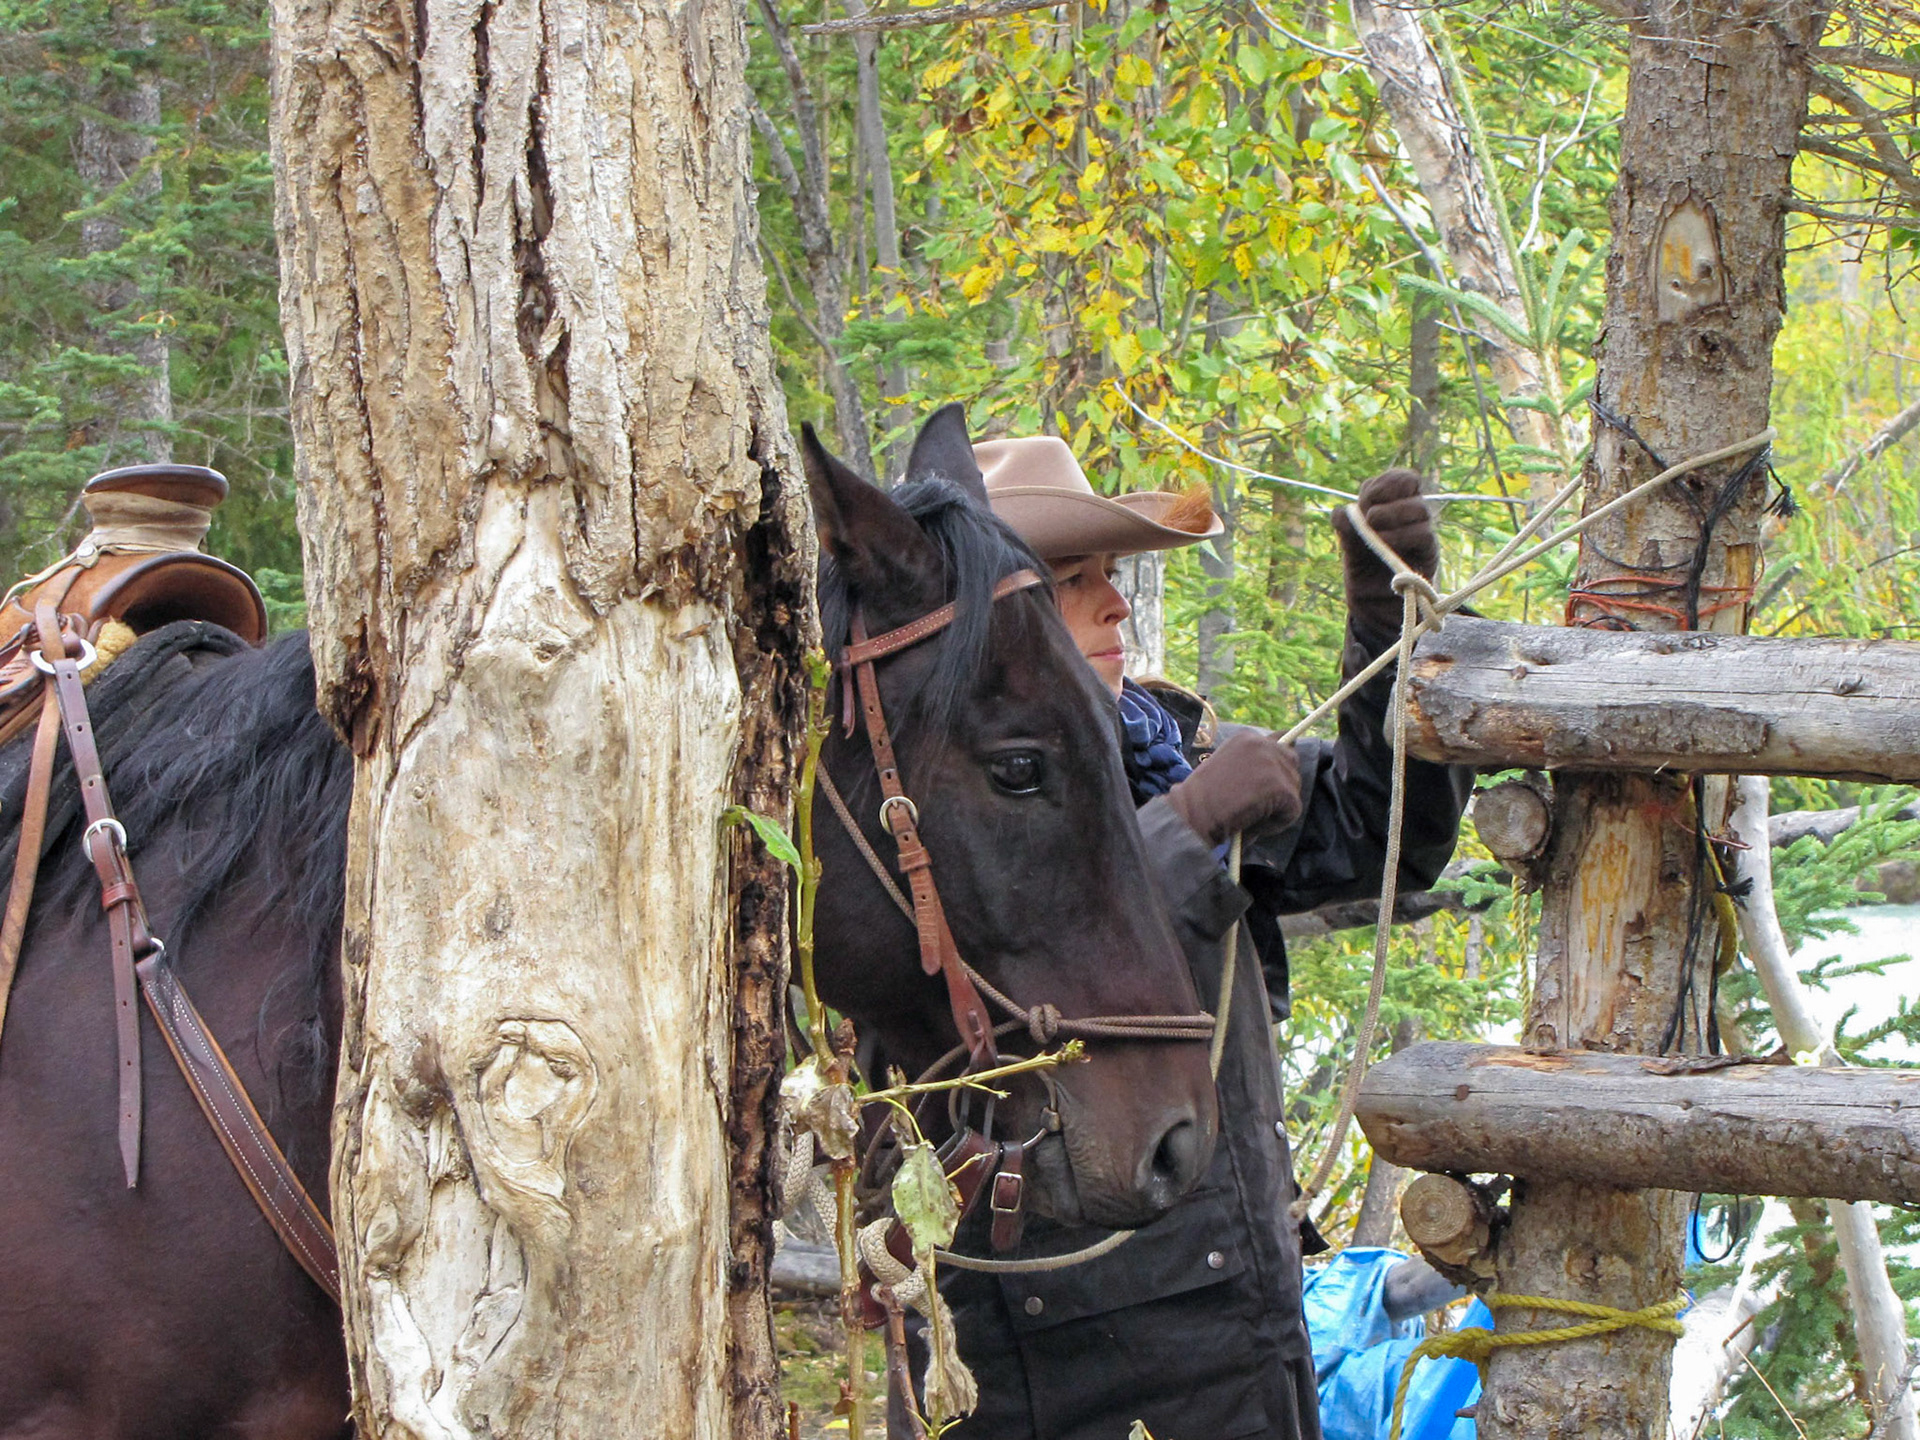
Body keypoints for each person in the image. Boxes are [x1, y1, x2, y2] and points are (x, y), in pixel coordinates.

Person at [913, 436, 1474, 1440]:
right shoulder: (930, 797)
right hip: (1064, 1353)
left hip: (1240, 1302)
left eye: (1113, 576)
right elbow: (1032, 978)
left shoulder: (1162, 741)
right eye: (1076, 580)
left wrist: (1389, 631)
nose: (1115, 604)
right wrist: (1190, 826)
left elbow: (1387, 843)